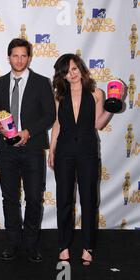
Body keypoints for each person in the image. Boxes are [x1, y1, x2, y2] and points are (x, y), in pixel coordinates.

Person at [0, 38, 55, 262]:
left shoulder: (42, 82)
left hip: (33, 148)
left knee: (34, 198)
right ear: (8, 57)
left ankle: (31, 244)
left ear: (29, 57)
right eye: (15, 55)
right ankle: (12, 242)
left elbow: (49, 115)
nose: (19, 60)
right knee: (9, 198)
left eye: (23, 55)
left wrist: (28, 132)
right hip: (6, 150)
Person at [48, 53, 114, 266]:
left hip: (87, 151)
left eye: (75, 68)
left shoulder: (96, 93)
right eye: (67, 71)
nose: (72, 74)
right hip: (64, 151)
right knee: (64, 200)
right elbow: (58, 123)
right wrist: (52, 149)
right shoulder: (60, 95)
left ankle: (88, 247)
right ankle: (63, 245)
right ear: (62, 76)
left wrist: (111, 109)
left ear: (82, 69)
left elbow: (98, 123)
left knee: (88, 199)